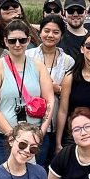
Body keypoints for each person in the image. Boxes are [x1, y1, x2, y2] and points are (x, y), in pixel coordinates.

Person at [0, 19, 55, 167]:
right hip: (4, 137)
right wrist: (12, 135)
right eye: (12, 40)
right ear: (5, 41)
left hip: (35, 136)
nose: (17, 44)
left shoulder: (38, 66)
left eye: (22, 40)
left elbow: (50, 100)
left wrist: (41, 131)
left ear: (28, 40)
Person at [26, 14, 75, 153]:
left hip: (56, 118)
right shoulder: (28, 56)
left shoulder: (68, 61)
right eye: (46, 31)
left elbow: (70, 91)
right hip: (30, 118)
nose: (50, 35)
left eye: (55, 32)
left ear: (62, 35)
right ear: (40, 32)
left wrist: (58, 89)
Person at [59, 0, 89, 64]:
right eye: (70, 11)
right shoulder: (57, 37)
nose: (75, 14)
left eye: (80, 11)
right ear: (64, 13)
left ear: (86, 13)